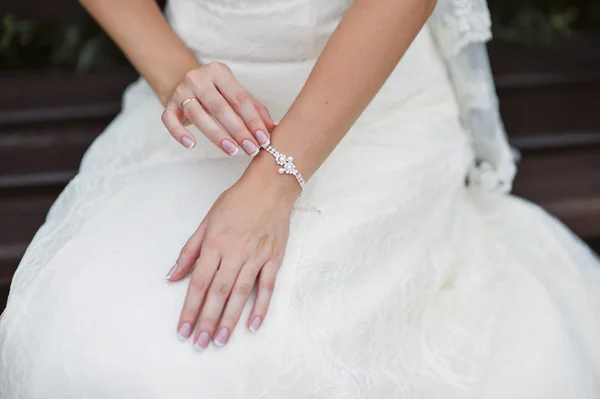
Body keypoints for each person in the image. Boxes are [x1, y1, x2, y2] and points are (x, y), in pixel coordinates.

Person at [1, 0, 599, 397]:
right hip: (203, 101)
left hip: (367, 106)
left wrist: (274, 182)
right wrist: (178, 77)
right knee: (99, 340)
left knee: (249, 354)